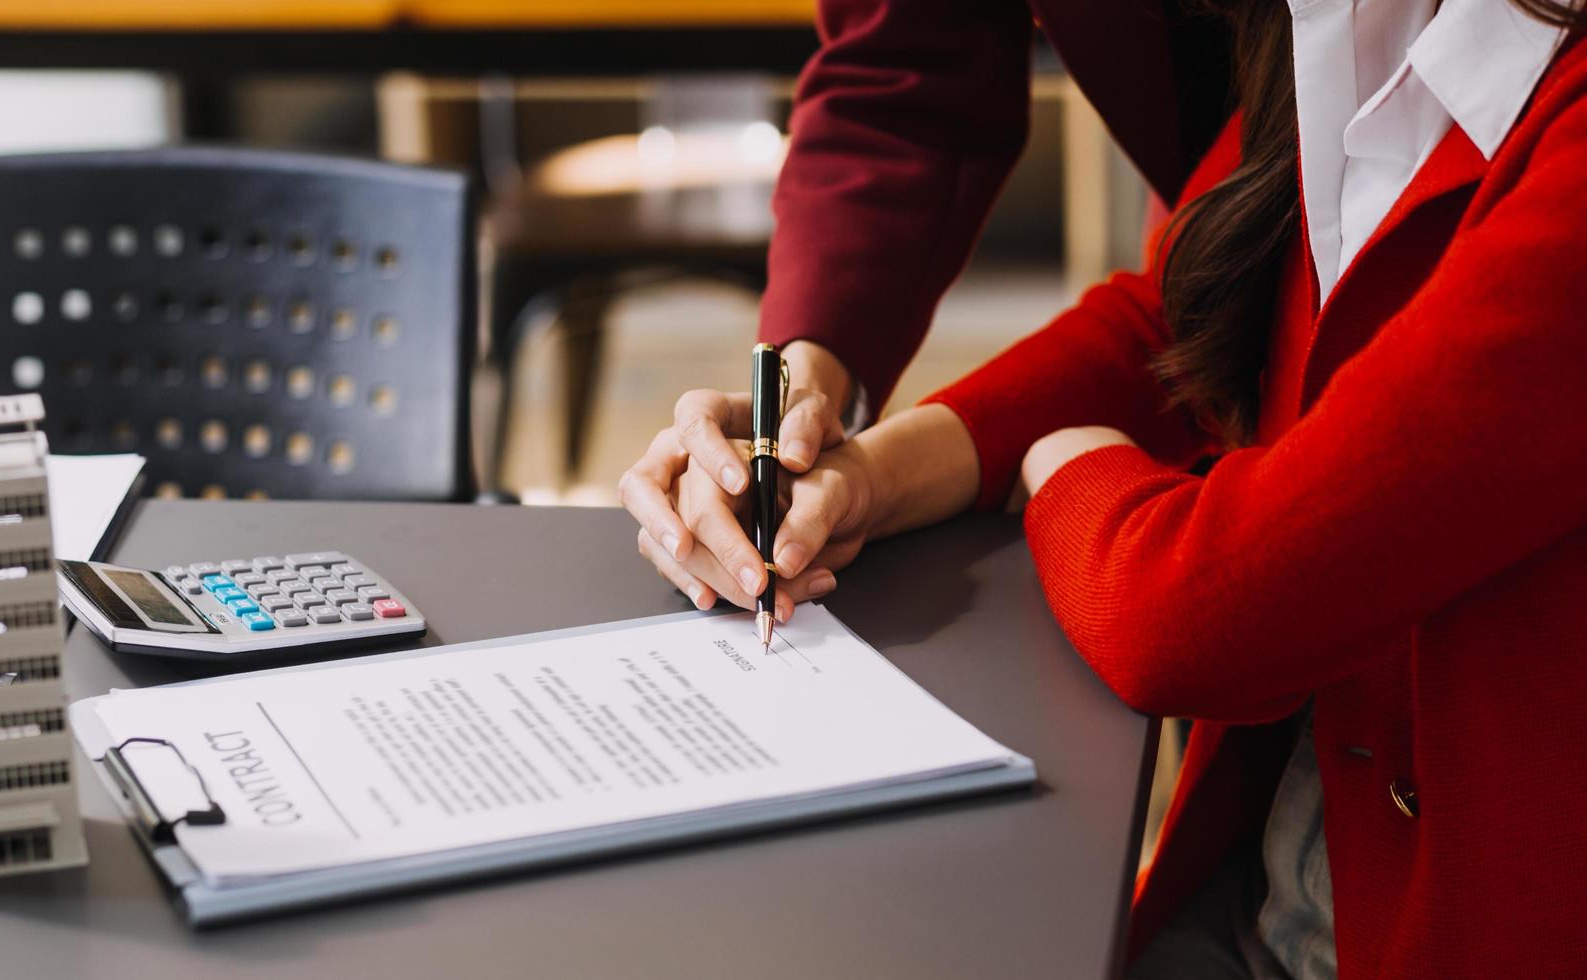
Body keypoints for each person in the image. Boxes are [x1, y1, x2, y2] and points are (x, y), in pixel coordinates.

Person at [622, 0, 1587, 976]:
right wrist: (870, 469)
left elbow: (1194, 611)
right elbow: (1195, 301)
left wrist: (1064, 464)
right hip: (1285, 855)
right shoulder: (1346, 29)